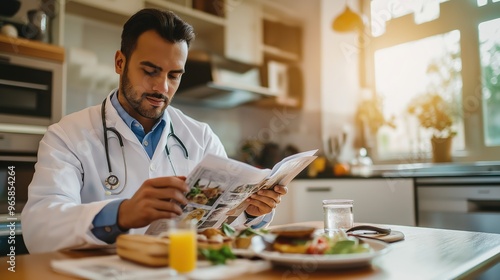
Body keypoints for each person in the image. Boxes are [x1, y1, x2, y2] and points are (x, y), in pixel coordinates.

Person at [21, 8, 287, 253]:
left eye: (174, 76)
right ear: (119, 63)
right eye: (150, 71)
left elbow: (220, 233)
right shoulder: (67, 135)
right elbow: (39, 230)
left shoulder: (201, 137)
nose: (162, 88)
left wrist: (251, 213)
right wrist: (121, 214)